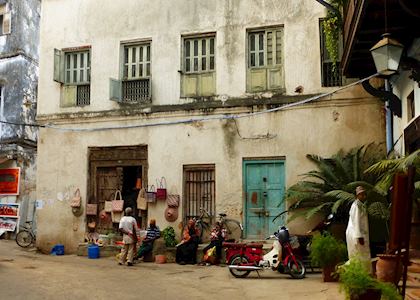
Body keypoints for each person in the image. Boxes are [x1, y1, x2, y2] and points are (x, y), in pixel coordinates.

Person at [346, 186, 371, 272]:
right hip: (356, 235)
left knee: (362, 256)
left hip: (361, 234)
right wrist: (359, 236)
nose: (363, 196)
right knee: (358, 257)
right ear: (357, 196)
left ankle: (364, 275)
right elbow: (356, 221)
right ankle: (359, 275)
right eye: (361, 195)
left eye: (364, 194)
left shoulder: (361, 206)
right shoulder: (356, 206)